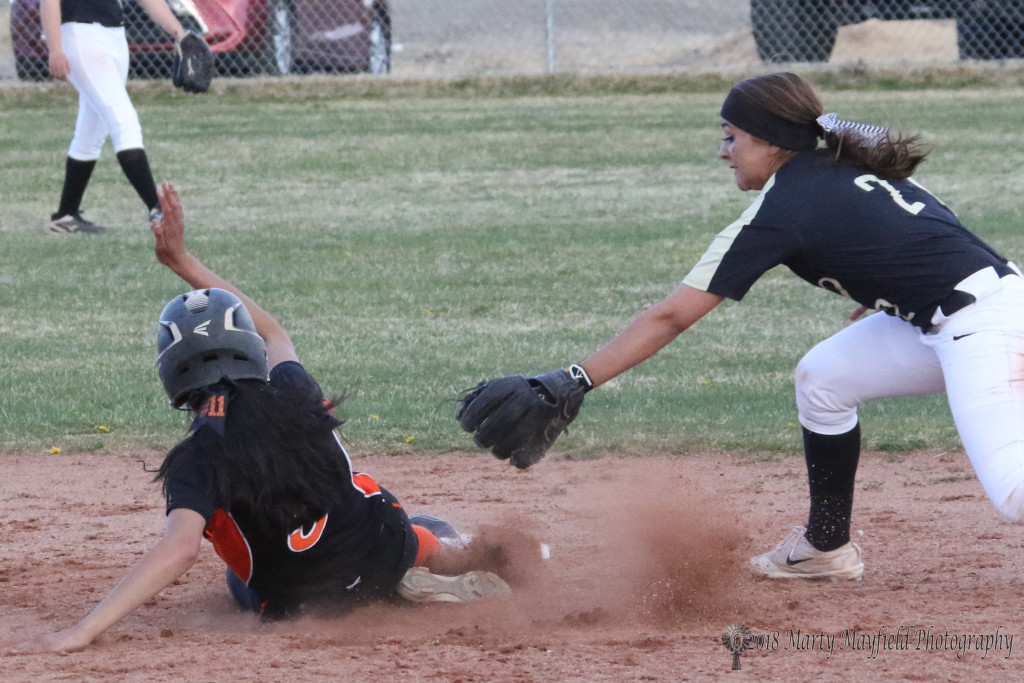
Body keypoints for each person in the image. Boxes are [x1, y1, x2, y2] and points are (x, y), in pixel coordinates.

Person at [468, 72, 1024, 582]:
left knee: (1013, 495)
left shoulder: (781, 211)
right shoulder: (841, 169)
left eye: (732, 136)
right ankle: (824, 548)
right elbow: (940, 233)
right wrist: (899, 288)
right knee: (824, 378)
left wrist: (574, 378)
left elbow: (671, 316)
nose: (724, 151)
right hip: (965, 309)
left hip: (985, 327)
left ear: (770, 140)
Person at [8, 182, 510, 655]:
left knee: (236, 577)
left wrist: (82, 630)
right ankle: (447, 554)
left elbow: (180, 550)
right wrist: (183, 261)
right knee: (414, 525)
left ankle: (388, 579)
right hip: (381, 550)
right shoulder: (293, 389)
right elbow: (276, 334)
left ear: (172, 371)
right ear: (247, 349)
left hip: (308, 603)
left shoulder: (196, 458)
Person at [41, 0, 189, 234]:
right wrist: (55, 49)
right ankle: (156, 208)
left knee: (92, 129)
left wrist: (179, 32)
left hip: (115, 36)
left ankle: (66, 215)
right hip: (81, 35)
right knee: (124, 121)